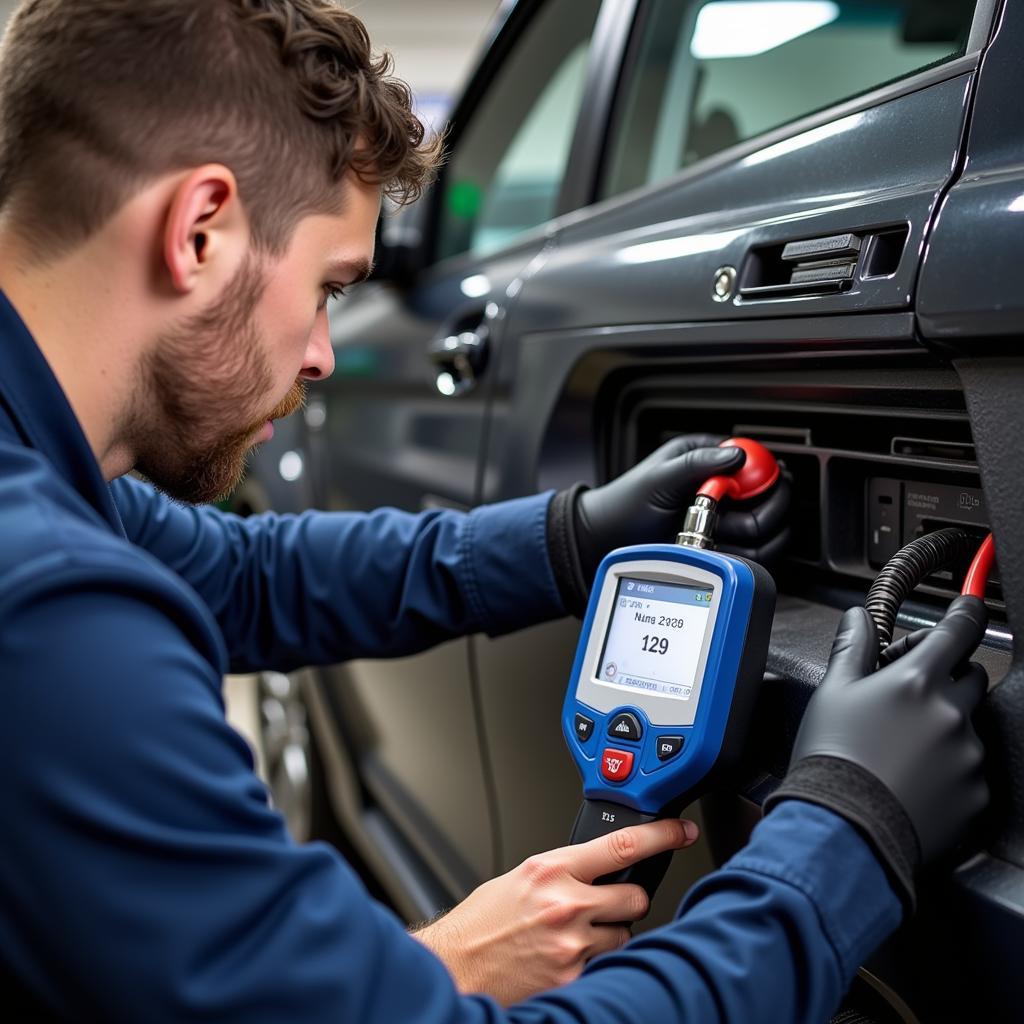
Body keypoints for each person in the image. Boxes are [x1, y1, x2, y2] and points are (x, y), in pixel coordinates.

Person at [0, 1, 990, 1021]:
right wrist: (846, 828)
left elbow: (250, 576)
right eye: (330, 286)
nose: (323, 356)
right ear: (199, 231)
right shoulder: (52, 611)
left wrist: (573, 536)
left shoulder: (46, 490)